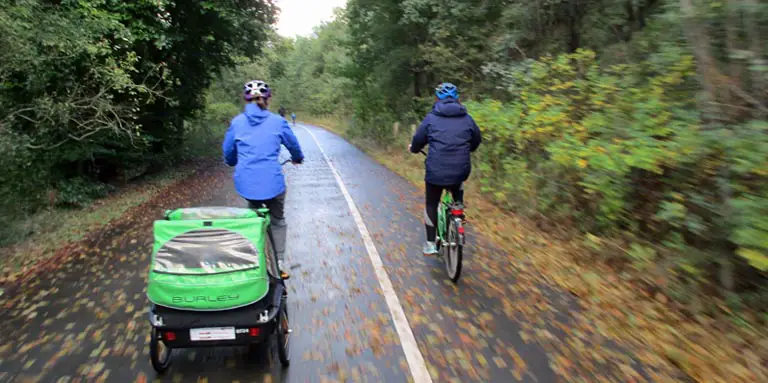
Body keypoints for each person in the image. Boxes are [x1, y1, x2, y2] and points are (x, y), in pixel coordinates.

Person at [223, 80, 304, 272]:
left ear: (246, 100)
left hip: (248, 186)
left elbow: (228, 153)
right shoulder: (278, 121)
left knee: (253, 215)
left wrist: (233, 162)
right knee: (277, 220)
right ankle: (280, 261)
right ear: (268, 100)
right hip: (273, 184)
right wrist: (297, 158)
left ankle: (253, 259)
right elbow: (293, 145)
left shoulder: (237, 123)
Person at [409, 82, 482, 256]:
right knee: (458, 179)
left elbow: (418, 139)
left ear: (437, 98)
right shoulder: (467, 118)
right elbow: (476, 139)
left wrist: (414, 148)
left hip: (436, 170)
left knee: (432, 203)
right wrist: (467, 148)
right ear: (457, 98)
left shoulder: (431, 118)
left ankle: (430, 244)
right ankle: (458, 208)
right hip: (461, 169)